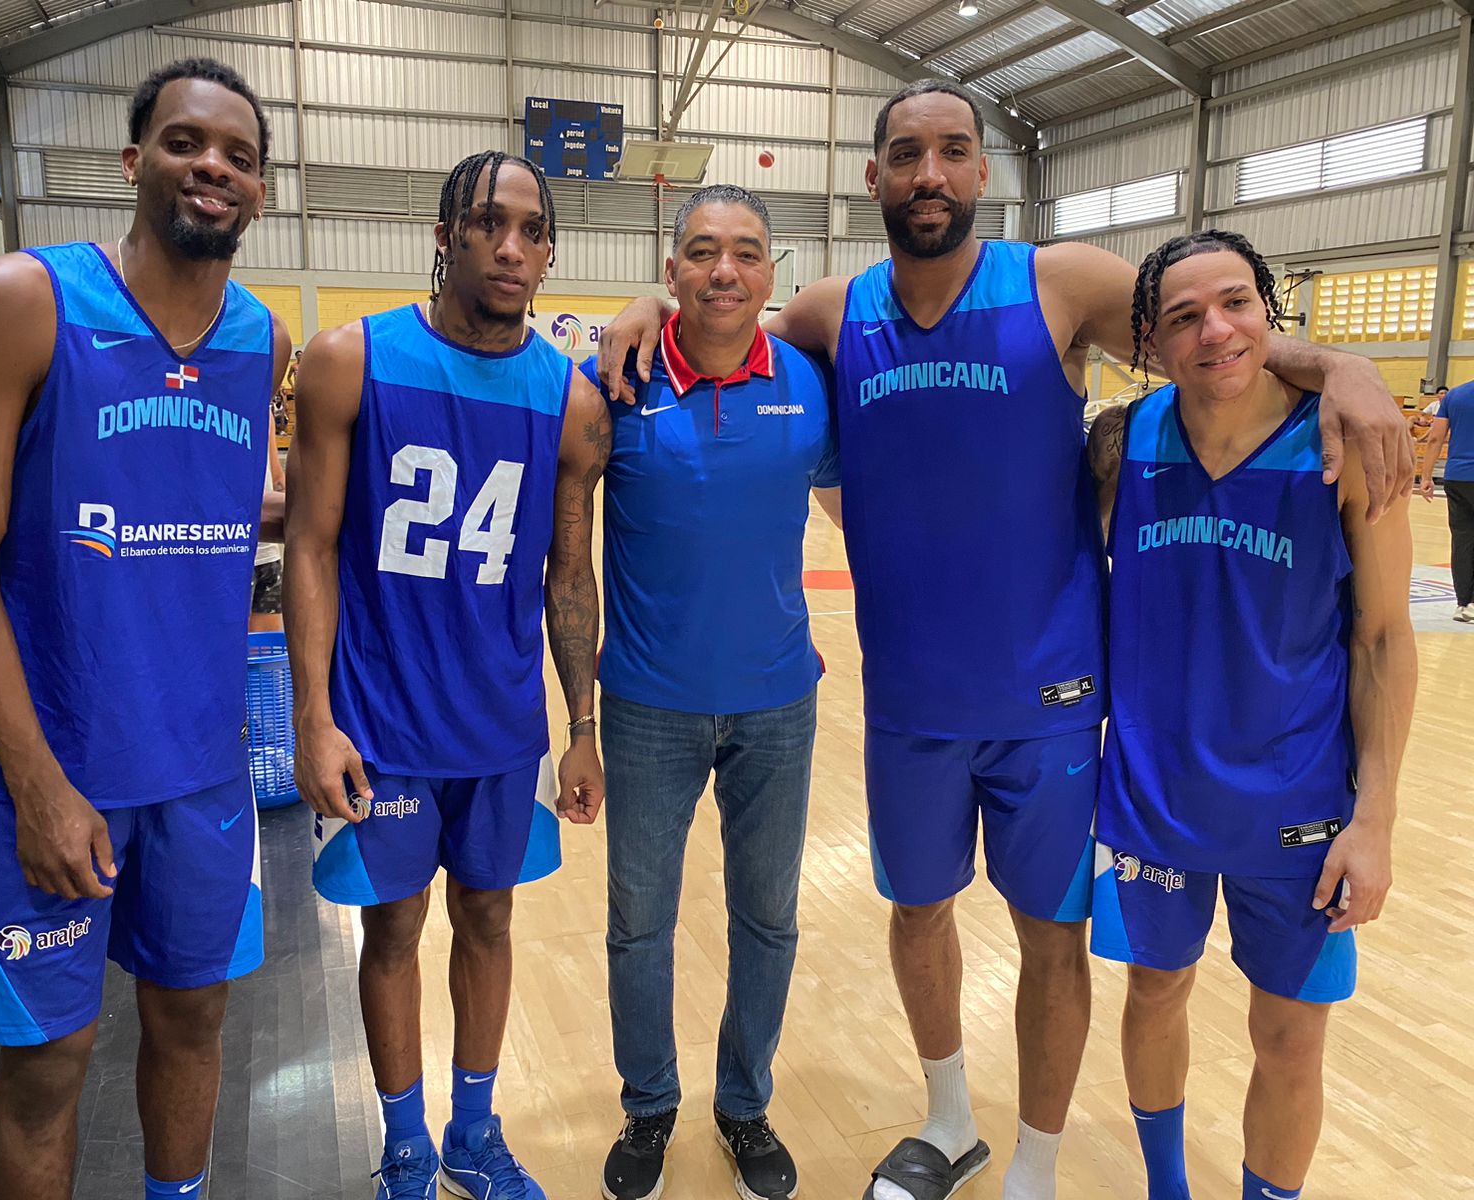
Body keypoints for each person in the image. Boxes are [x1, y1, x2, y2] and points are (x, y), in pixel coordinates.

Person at [597, 80, 1413, 1200]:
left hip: (1051, 702)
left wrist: (1341, 366)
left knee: (1052, 937)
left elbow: (1211, 331)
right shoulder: (835, 311)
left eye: (952, 151)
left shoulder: (1059, 282)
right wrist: (643, 306)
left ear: (984, 170)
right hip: (910, 701)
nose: (929, 173)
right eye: (905, 154)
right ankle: (949, 1123)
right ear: (874, 177)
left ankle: (1036, 1159)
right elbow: (722, 318)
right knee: (917, 912)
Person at [0, 57, 289, 1200]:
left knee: (193, 1022)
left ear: (260, 190)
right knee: (48, 1063)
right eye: (184, 142)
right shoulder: (18, 301)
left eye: (237, 155)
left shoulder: (262, 341)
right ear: (133, 163)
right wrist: (37, 784)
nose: (212, 166)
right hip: (45, 766)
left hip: (201, 771)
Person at [285, 149, 609, 1200]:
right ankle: (405, 1147)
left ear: (550, 252)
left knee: (490, 919)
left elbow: (570, 574)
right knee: (392, 929)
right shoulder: (351, 360)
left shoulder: (570, 401)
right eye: (487, 224)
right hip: (380, 723)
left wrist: (582, 727)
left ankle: (471, 1132)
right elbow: (309, 546)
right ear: (443, 237)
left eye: (532, 231)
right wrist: (313, 716)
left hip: (500, 726)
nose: (511, 248)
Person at [1085, 230, 1416, 1200]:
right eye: (1183, 316)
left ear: (1268, 311)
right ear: (1150, 342)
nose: (1215, 330)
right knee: (1154, 993)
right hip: (1153, 797)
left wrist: (1376, 820)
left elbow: (1382, 640)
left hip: (1299, 802)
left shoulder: (1342, 445)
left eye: (1235, 302)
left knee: (1289, 1036)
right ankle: (1166, 1190)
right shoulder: (1119, 446)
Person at [578, 185, 837, 1200]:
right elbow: (564, 552)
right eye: (700, 251)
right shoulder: (615, 381)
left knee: (768, 919)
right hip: (648, 706)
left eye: (745, 252)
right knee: (638, 924)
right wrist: (577, 721)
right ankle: (649, 1106)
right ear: (670, 269)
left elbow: (872, 503)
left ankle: (743, 1104)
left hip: (778, 705)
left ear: (771, 271)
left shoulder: (812, 384)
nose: (723, 270)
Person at [1417, 378, 1474, 620]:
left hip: (1457, 477)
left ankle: (1464, 604)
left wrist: (1426, 476)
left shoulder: (1455, 395)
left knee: (1462, 540)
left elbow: (1435, 438)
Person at [251, 415, 285, 633]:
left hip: (265, 554)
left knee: (265, 649)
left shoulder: (264, 411)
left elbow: (278, 478)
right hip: (232, 552)